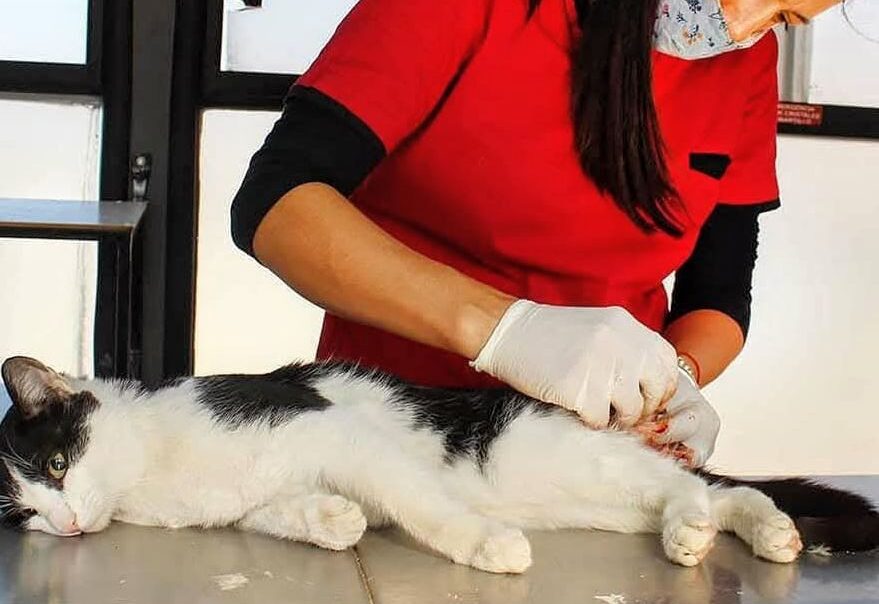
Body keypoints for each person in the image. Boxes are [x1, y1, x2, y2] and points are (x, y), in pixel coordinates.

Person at [230, 0, 843, 467]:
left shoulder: (743, 59)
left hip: (585, 461)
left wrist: (669, 381)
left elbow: (721, 293)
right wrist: (507, 331)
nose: (742, 25)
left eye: (785, 16)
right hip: (391, 436)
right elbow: (278, 204)